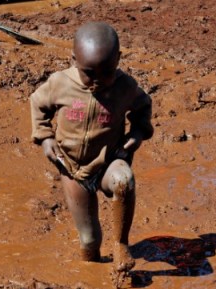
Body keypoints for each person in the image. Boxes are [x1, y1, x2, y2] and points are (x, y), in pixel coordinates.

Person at [30, 22, 153, 273]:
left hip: (108, 161)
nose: (97, 81)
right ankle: (90, 269)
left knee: (124, 180)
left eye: (106, 72)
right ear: (73, 59)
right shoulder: (59, 84)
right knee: (89, 239)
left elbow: (142, 107)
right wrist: (45, 138)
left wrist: (138, 134)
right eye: (89, 73)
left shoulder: (125, 87)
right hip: (72, 169)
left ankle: (120, 244)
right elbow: (38, 105)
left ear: (118, 59)